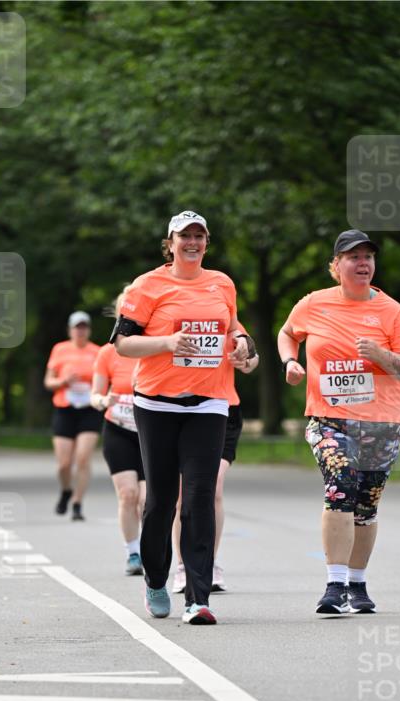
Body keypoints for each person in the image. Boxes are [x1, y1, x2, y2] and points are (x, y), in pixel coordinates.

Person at [111, 210, 255, 624]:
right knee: (160, 501)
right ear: (169, 242)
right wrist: (168, 342)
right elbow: (123, 343)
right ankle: (156, 580)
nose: (192, 243)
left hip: (210, 402)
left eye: (199, 236)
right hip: (156, 403)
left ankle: (197, 597)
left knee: (198, 497)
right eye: (184, 236)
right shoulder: (148, 285)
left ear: (207, 242)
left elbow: (232, 326)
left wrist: (243, 345)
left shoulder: (221, 283)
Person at [278, 228, 400, 614]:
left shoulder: (391, 311)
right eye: (354, 257)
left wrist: (382, 355)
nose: (363, 264)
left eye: (368, 257)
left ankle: (357, 585)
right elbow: (287, 333)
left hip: (381, 422)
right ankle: (334, 584)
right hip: (329, 419)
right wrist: (290, 361)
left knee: (366, 505)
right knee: (340, 487)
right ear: (336, 265)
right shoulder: (313, 304)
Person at [172, 324, 259, 595]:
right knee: (182, 494)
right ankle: (183, 565)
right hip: (179, 408)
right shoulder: (169, 309)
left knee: (214, 489)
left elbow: (252, 358)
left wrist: (245, 359)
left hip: (222, 408)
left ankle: (209, 562)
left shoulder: (221, 311)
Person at [91, 288, 146, 576]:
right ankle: (133, 553)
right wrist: (103, 401)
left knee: (148, 500)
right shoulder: (107, 352)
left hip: (151, 431)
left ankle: (153, 552)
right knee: (127, 494)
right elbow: (95, 394)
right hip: (118, 429)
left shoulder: (153, 346)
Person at [44, 311, 102, 521]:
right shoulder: (59, 350)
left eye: (84, 327)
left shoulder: (97, 351)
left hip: (89, 409)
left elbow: (106, 379)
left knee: (83, 459)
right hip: (65, 408)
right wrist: (63, 381)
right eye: (77, 327)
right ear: (70, 330)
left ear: (89, 329)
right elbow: (48, 382)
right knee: (64, 464)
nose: (81, 330)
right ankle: (66, 490)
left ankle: (77, 503)